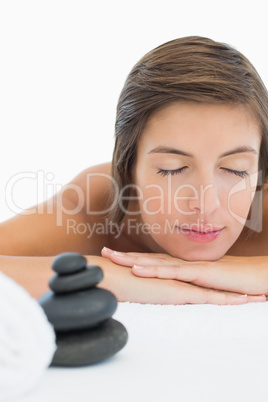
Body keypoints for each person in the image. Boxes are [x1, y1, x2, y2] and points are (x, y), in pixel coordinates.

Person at [1, 35, 268, 305]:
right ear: (128, 167)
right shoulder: (94, 205)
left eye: (236, 170)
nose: (206, 204)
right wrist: (104, 276)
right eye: (171, 170)